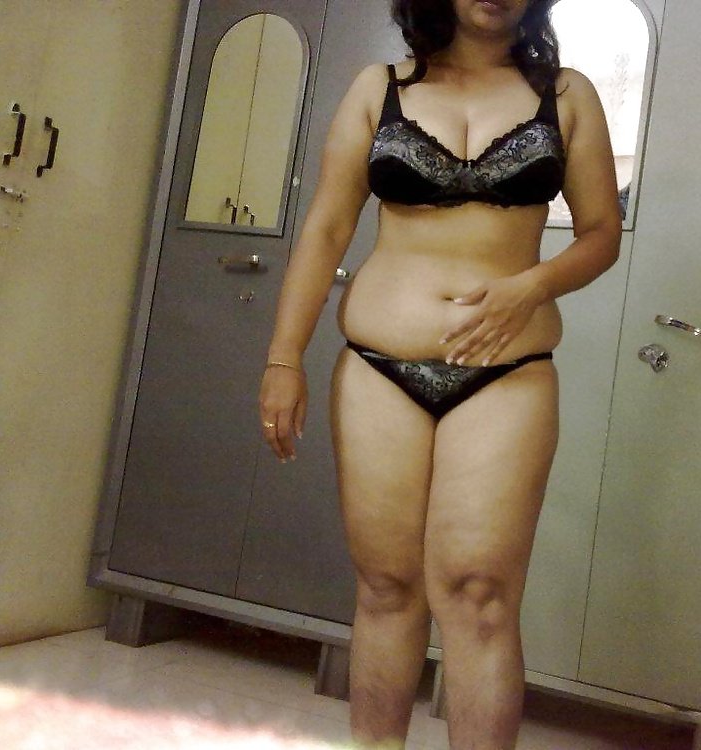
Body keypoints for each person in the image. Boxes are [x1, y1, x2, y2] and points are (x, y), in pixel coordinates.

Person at [258, 0, 621, 747]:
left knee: (480, 595)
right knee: (387, 588)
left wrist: (532, 286)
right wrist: (283, 358)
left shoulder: (568, 95)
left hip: (507, 372)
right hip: (377, 369)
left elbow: (601, 233)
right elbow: (327, 227)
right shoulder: (379, 88)